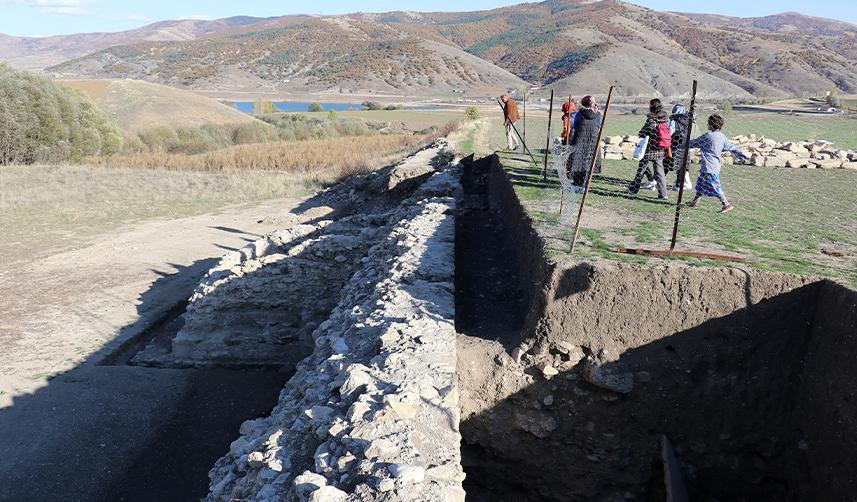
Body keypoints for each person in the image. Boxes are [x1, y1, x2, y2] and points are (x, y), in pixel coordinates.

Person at [686, 114, 749, 214]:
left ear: (710, 124)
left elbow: (693, 143)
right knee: (701, 184)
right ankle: (695, 202)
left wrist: (678, 144)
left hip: (708, 166)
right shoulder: (721, 136)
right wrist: (742, 155)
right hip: (715, 166)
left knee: (715, 186)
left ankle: (726, 204)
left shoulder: (707, 136)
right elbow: (732, 147)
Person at [628, 98, 670, 199]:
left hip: (650, 149)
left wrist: (642, 133)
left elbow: (643, 132)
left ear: (652, 107)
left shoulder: (651, 120)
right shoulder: (665, 119)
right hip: (661, 149)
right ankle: (663, 194)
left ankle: (633, 190)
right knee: (660, 173)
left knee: (641, 169)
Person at [566, 95, 602, 191]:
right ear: (594, 104)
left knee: (578, 160)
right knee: (588, 161)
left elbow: (576, 125)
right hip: (593, 141)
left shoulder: (580, 113)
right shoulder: (598, 115)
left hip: (580, 140)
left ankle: (577, 184)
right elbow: (599, 126)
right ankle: (585, 184)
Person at [665, 103, 693, 191]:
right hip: (685, 145)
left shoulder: (674, 120)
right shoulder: (689, 120)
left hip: (675, 145)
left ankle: (657, 180)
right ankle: (678, 184)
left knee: (666, 163)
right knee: (682, 165)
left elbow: (670, 132)